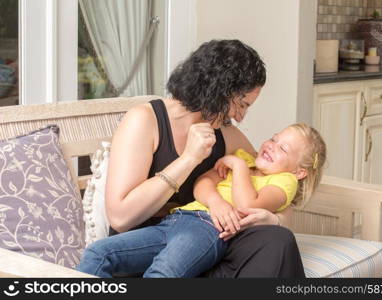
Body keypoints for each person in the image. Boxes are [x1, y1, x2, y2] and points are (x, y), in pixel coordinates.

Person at [76, 39, 306, 278]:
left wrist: (275, 219)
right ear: (220, 90)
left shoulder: (226, 134)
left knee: (278, 240)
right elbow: (121, 217)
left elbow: (273, 185)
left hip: (202, 241)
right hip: (144, 246)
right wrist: (189, 159)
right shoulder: (145, 120)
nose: (241, 117)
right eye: (241, 105)